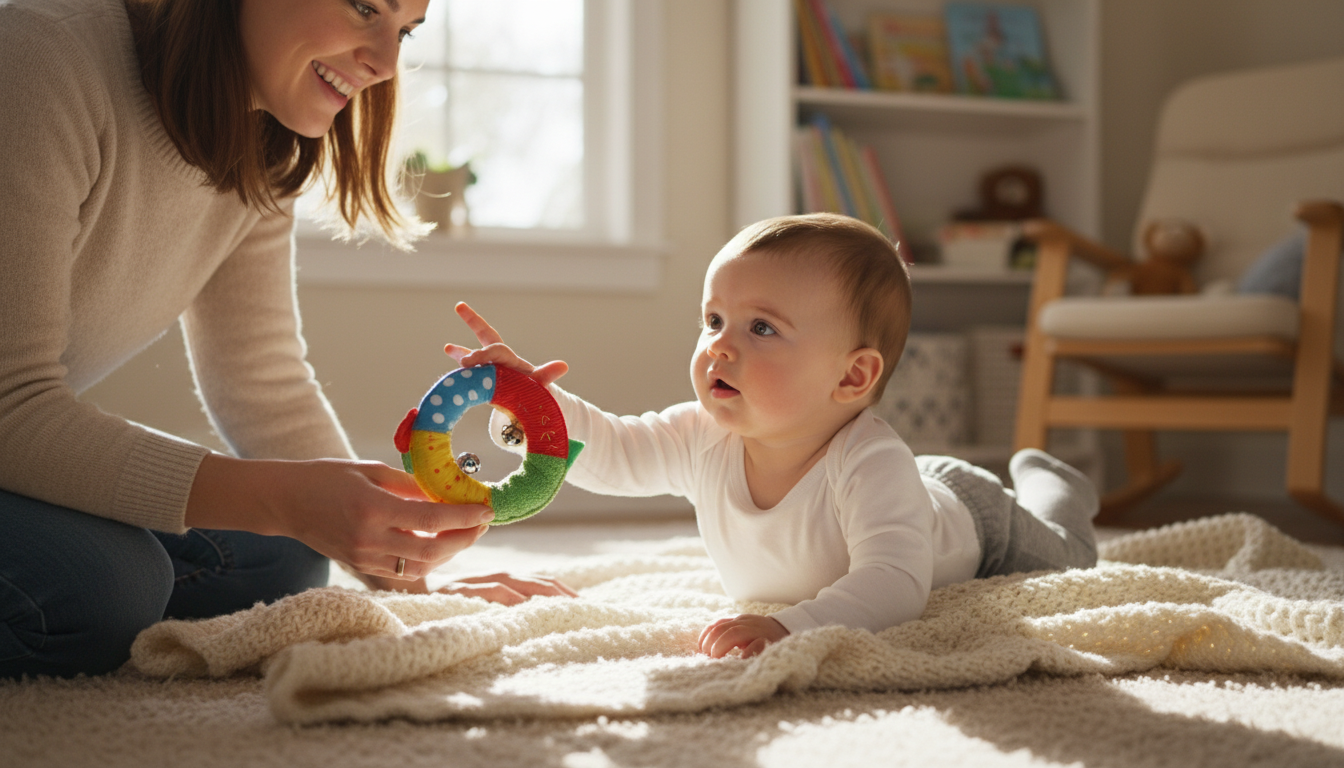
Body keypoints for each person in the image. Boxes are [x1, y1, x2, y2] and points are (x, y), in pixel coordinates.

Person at [0, 0, 572, 681]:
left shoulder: (261, 139)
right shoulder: (38, 60)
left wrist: (411, 587)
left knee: (284, 559)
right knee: (103, 588)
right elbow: (11, 406)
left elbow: (261, 382)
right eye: (365, 7)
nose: (387, 64)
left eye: (405, 31)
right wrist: (284, 498)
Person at [445, 213, 1100, 659]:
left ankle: (1053, 486)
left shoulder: (870, 460)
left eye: (761, 328)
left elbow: (896, 582)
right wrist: (534, 407)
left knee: (1071, 560)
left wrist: (792, 625)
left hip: (976, 521)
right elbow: (614, 454)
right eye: (713, 320)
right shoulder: (703, 432)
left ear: (852, 376)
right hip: (917, 486)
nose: (719, 347)